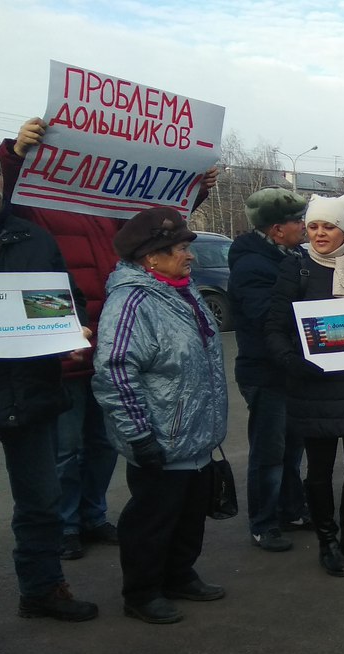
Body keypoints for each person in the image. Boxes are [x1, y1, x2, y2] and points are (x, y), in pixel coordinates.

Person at [0, 117, 217, 561]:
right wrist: (15, 154)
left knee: (103, 444)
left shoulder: (112, 212)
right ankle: (63, 526)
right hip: (63, 344)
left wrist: (194, 186)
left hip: (112, 337)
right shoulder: (39, 207)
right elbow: (8, 195)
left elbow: (159, 218)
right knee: (66, 447)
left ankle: (93, 516)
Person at [94, 207, 229, 624]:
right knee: (152, 520)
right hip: (160, 436)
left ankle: (178, 575)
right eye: (180, 248)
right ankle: (142, 592)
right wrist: (138, 435)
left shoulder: (181, 291)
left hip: (196, 434)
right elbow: (115, 369)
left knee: (189, 515)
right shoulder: (131, 300)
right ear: (151, 257)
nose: (189, 255)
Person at [265, 193, 344, 576]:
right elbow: (273, 328)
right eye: (313, 226)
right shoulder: (297, 269)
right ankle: (327, 539)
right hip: (317, 388)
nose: (319, 233)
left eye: (329, 226)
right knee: (320, 471)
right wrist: (292, 361)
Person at [0, 166, 98, 622]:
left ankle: (41, 589)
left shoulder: (32, 238)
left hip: (30, 390)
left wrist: (70, 328)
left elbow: (63, 297)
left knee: (40, 500)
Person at [228, 187, 311, 552]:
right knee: (269, 452)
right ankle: (263, 522)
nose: (304, 227)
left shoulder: (288, 256)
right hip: (265, 371)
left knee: (292, 447)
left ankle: (291, 509)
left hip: (290, 370)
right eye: (298, 221)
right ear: (277, 229)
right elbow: (268, 319)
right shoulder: (252, 266)